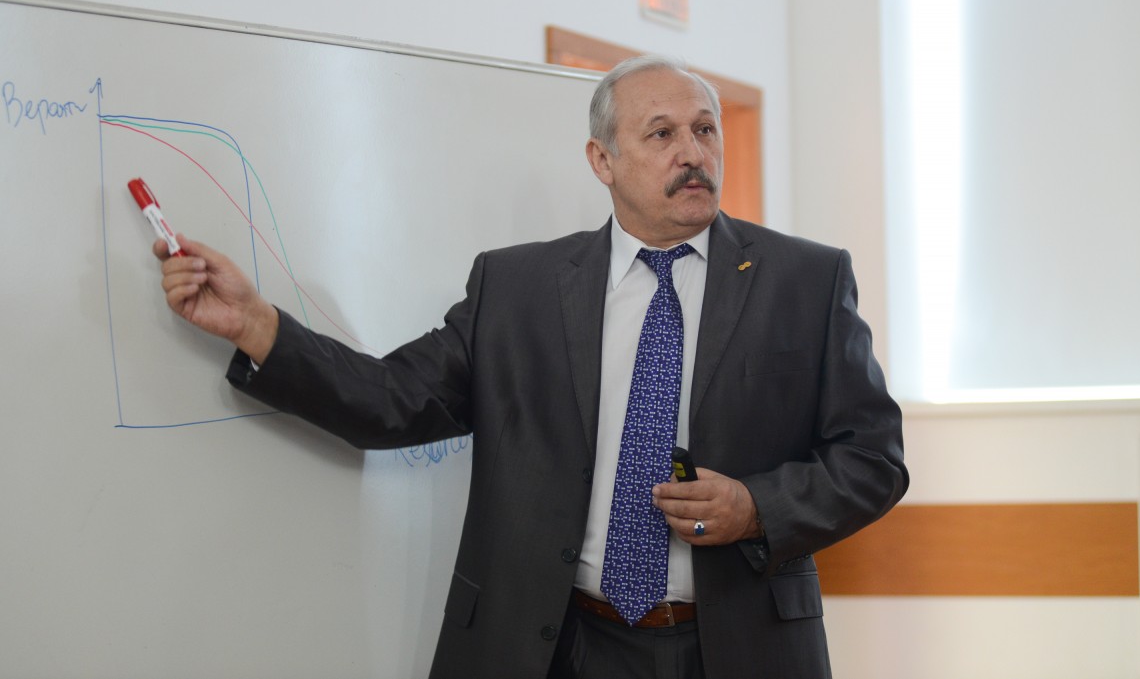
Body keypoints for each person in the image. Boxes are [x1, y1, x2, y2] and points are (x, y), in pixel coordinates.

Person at [155, 55, 907, 679]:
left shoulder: (805, 281)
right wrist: (258, 326)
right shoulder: (518, 288)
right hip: (556, 645)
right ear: (602, 159)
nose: (692, 153)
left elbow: (873, 460)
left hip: (737, 647)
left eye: (705, 130)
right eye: (662, 133)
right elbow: (392, 400)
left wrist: (756, 506)